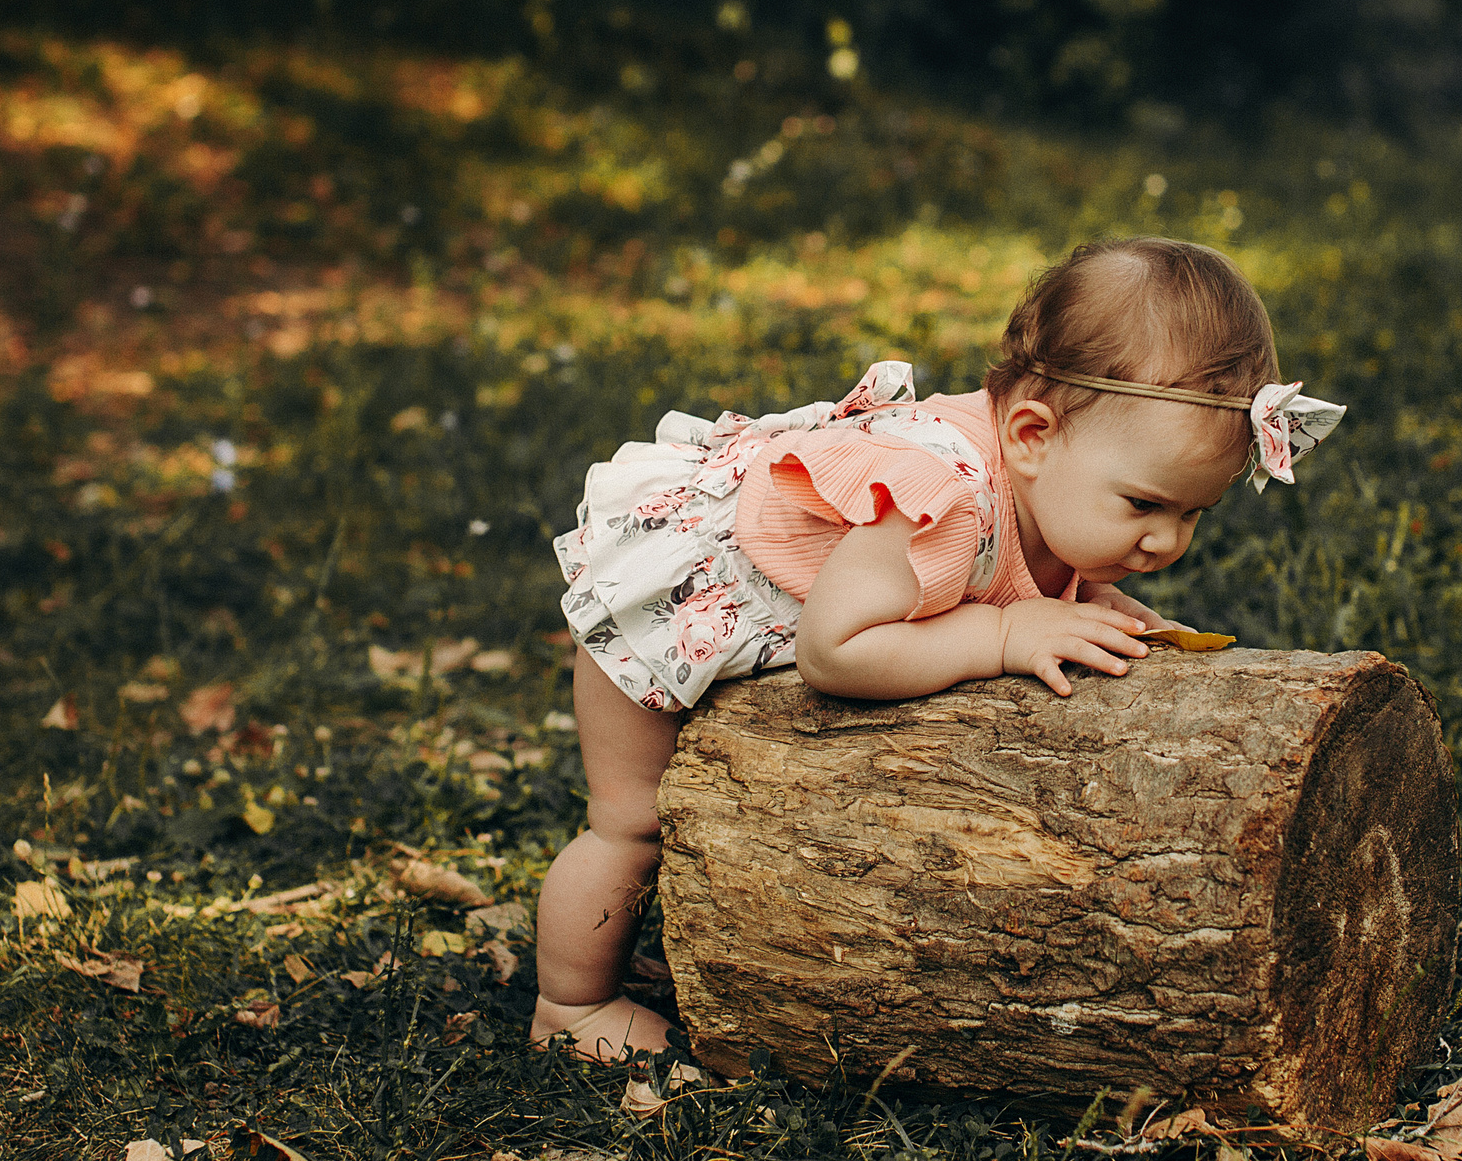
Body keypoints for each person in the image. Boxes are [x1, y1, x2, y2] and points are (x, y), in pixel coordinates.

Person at [531, 237, 1346, 1061]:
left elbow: (1031, 567)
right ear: (1031, 433)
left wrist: (1098, 604)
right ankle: (572, 1001)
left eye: (1193, 513)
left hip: (769, 612)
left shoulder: (1051, 484)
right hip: (667, 620)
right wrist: (1000, 633)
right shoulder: (941, 498)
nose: (1166, 540)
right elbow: (835, 649)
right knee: (631, 822)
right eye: (1144, 503)